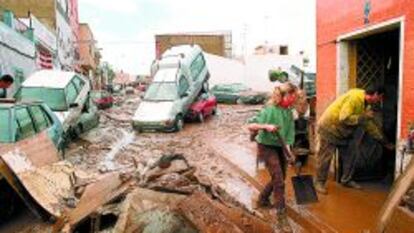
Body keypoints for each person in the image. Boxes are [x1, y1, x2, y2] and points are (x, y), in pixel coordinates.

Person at [315, 85, 392, 194]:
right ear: (375, 94)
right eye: (380, 97)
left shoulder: (367, 105)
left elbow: (369, 125)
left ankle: (346, 180)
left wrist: (383, 141)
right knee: (325, 157)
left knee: (351, 154)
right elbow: (344, 118)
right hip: (330, 127)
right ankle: (319, 182)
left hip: (344, 132)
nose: (380, 100)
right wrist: (362, 117)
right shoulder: (354, 97)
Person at [247, 82, 297, 233]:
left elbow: (288, 135)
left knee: (279, 177)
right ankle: (281, 217)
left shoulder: (288, 112)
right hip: (266, 146)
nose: (294, 99)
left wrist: (289, 153)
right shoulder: (270, 109)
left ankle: (262, 199)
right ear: (284, 95)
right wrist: (266, 127)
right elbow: (251, 126)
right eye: (292, 95)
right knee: (279, 180)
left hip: (279, 146)